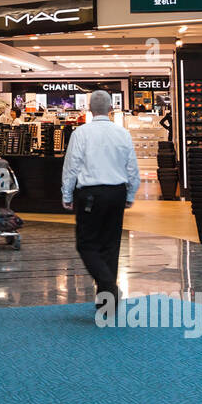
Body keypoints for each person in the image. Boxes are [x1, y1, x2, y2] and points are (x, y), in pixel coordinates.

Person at [62, 90, 140, 310]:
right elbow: (132, 167)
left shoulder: (81, 133)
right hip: (116, 192)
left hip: (90, 195)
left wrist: (67, 194)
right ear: (111, 109)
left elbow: (71, 167)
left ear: (89, 109)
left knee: (86, 243)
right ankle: (107, 301)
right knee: (110, 245)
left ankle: (108, 286)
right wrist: (131, 193)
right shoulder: (122, 133)